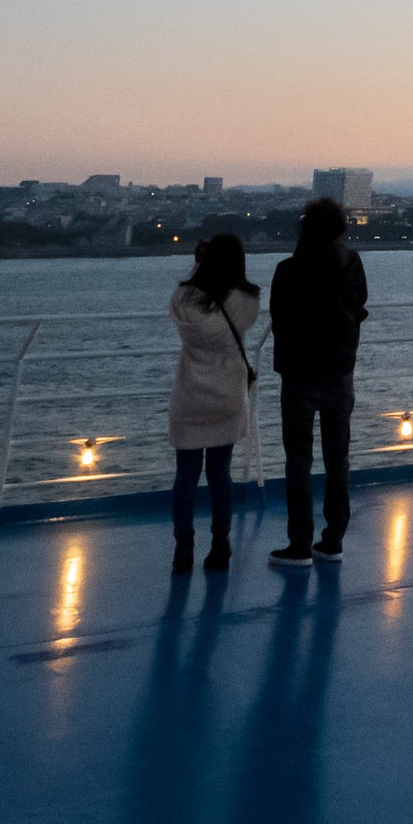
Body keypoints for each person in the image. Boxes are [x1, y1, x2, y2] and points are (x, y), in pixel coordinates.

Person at [268, 198, 368, 562]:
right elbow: (359, 308)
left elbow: (279, 320)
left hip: (299, 376)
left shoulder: (288, 270)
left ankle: (299, 544)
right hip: (341, 375)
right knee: (337, 459)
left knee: (298, 460)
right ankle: (333, 539)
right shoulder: (352, 264)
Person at [167, 232, 262, 574]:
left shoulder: (184, 300)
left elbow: (188, 295)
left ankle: (183, 548)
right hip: (226, 397)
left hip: (190, 397)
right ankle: (220, 544)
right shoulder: (246, 302)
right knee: (220, 474)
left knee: (186, 476)